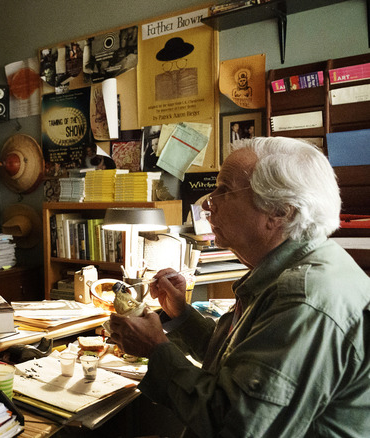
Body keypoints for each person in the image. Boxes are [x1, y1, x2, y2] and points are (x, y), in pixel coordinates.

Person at [109, 136, 370, 437]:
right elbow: (239, 364)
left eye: (225, 190)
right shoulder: (288, 271)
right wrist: (181, 315)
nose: (208, 203)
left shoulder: (304, 298)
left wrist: (156, 350)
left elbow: (238, 425)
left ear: (280, 212)